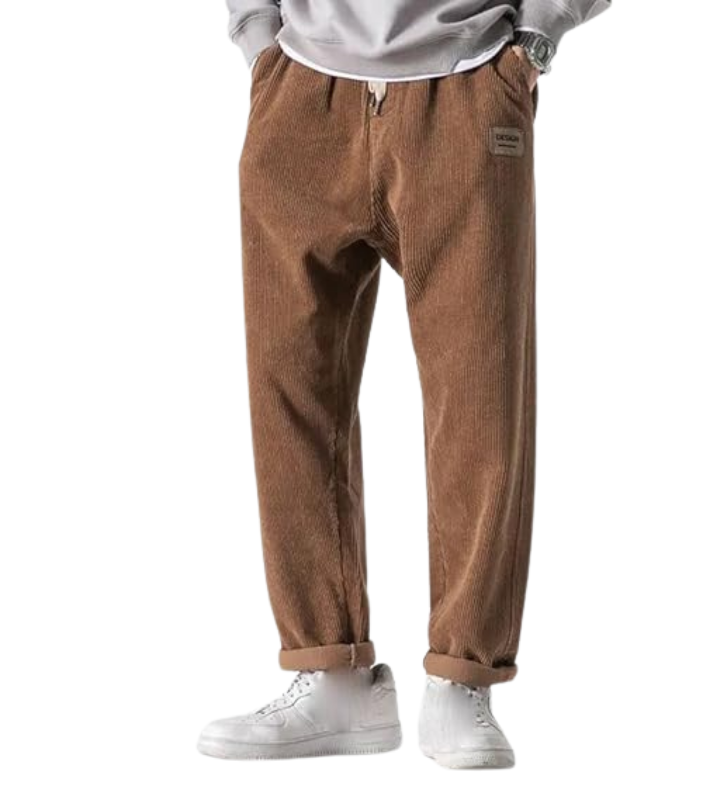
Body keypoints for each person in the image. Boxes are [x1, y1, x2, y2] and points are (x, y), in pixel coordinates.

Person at [198, 0, 610, 769]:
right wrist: (259, 40)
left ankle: (462, 677)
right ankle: (333, 676)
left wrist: (535, 40)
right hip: (301, 92)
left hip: (465, 90)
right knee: (289, 396)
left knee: (479, 397)